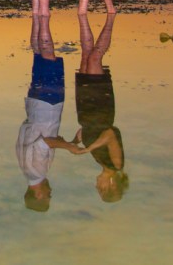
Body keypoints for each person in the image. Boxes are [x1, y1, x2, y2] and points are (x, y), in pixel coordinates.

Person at [49, 11, 129, 203]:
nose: (96, 185)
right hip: (101, 107)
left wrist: (75, 142)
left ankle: (82, 15)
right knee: (95, 59)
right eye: (100, 189)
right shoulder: (116, 165)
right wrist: (86, 149)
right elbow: (109, 134)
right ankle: (111, 18)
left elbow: (92, 133)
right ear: (110, 184)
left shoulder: (102, 163)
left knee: (86, 57)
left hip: (86, 111)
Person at [16, 14, 67, 211]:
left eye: (48, 197)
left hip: (48, 106)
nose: (50, 193)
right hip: (35, 104)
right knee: (38, 55)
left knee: (48, 56)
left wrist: (70, 146)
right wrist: (65, 141)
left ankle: (43, 15)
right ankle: (38, 12)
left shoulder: (37, 171)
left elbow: (44, 142)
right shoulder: (25, 169)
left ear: (38, 195)